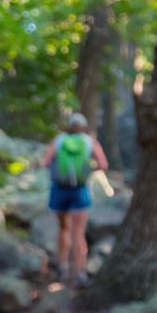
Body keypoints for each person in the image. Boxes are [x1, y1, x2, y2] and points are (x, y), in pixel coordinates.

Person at [41, 112, 108, 286]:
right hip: (80, 190)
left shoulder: (59, 140)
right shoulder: (89, 141)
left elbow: (46, 162)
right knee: (79, 233)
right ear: (83, 127)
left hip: (59, 190)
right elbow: (103, 164)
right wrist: (87, 170)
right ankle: (80, 273)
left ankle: (62, 267)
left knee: (64, 229)